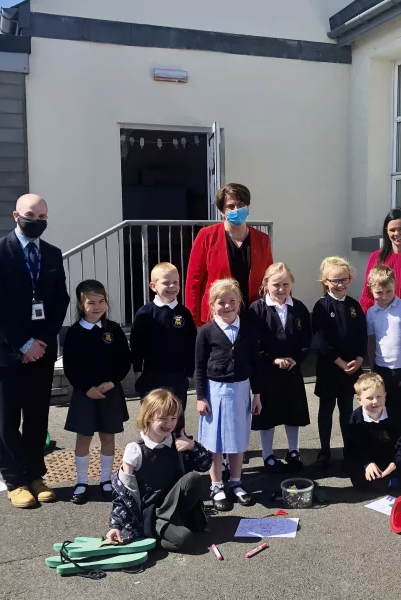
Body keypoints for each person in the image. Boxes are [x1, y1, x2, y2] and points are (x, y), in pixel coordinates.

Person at [0, 193, 69, 509]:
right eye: (32, 214)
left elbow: (60, 301)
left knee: (36, 417)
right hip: (6, 352)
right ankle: (14, 480)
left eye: (43, 216)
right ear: (16, 215)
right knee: (7, 419)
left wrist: (41, 341)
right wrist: (24, 343)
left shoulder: (53, 255)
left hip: (41, 352)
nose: (38, 221)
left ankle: (35, 475)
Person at [107, 389, 212, 552]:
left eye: (173, 418)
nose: (169, 423)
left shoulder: (179, 442)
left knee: (194, 478)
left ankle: (178, 522)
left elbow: (205, 465)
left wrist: (192, 446)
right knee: (185, 539)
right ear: (148, 417)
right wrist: (116, 525)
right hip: (154, 513)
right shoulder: (135, 450)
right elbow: (123, 492)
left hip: (176, 507)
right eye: (162, 418)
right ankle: (153, 537)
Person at [195, 279, 262, 511]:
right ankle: (216, 485)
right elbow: (200, 367)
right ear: (212, 305)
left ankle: (236, 482)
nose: (227, 306)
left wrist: (257, 395)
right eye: (221, 302)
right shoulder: (205, 332)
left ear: (239, 303)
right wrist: (201, 397)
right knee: (215, 442)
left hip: (241, 389)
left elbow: (255, 363)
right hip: (215, 391)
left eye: (231, 301)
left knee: (237, 439)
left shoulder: (248, 331)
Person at [63, 280, 131, 505]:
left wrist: (112, 382)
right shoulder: (74, 333)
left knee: (108, 437)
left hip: (109, 393)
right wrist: (86, 389)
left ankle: (106, 480)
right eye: (91, 302)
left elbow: (124, 360)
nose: (97, 306)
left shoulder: (113, 330)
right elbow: (70, 367)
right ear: (81, 305)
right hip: (85, 395)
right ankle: (81, 482)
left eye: (101, 301)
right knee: (84, 437)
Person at [249, 263, 312, 473]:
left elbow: (306, 339)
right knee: (268, 415)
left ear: (291, 285)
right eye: (276, 284)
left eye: (286, 284)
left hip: (292, 372)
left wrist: (296, 358)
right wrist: (272, 360)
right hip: (268, 373)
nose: (281, 289)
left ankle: (293, 451)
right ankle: (267, 454)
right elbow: (254, 343)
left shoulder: (299, 308)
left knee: (291, 412)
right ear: (266, 284)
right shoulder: (257, 309)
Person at [185, 183, 274, 327]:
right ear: (222, 211)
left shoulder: (262, 240)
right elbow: (193, 283)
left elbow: (269, 280)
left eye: (241, 205)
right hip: (215, 319)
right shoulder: (206, 236)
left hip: (251, 318)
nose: (236, 210)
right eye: (230, 206)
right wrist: (193, 322)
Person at [312, 257, 367, 470]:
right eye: (335, 280)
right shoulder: (321, 306)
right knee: (326, 410)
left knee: (347, 411)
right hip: (329, 369)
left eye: (344, 279)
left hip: (351, 370)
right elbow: (320, 340)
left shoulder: (354, 306)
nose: (340, 284)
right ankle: (324, 451)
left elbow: (362, 334)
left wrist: (360, 359)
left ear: (350, 279)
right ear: (326, 281)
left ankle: (348, 450)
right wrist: (340, 362)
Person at [130, 262, 197, 431]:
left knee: (176, 416)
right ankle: (151, 450)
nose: (172, 286)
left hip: (177, 376)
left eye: (175, 282)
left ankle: (177, 451)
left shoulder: (184, 313)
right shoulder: (145, 313)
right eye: (166, 283)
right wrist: (138, 371)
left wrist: (189, 373)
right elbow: (136, 345)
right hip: (151, 376)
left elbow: (191, 344)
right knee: (152, 416)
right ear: (153, 286)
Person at [344, 373, 401, 493]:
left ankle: (394, 481)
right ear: (359, 400)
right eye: (369, 398)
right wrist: (368, 464)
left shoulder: (395, 414)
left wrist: (396, 463)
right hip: (371, 461)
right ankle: (399, 483)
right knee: (355, 472)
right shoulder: (356, 418)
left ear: (385, 396)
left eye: (379, 397)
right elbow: (354, 447)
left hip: (392, 459)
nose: (375, 402)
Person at [365, 265, 401, 439]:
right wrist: (372, 367)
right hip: (383, 369)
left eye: (389, 291)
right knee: (385, 408)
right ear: (371, 289)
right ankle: (391, 445)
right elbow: (371, 341)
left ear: (395, 286)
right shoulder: (371, 313)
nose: (385, 296)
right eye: (379, 292)